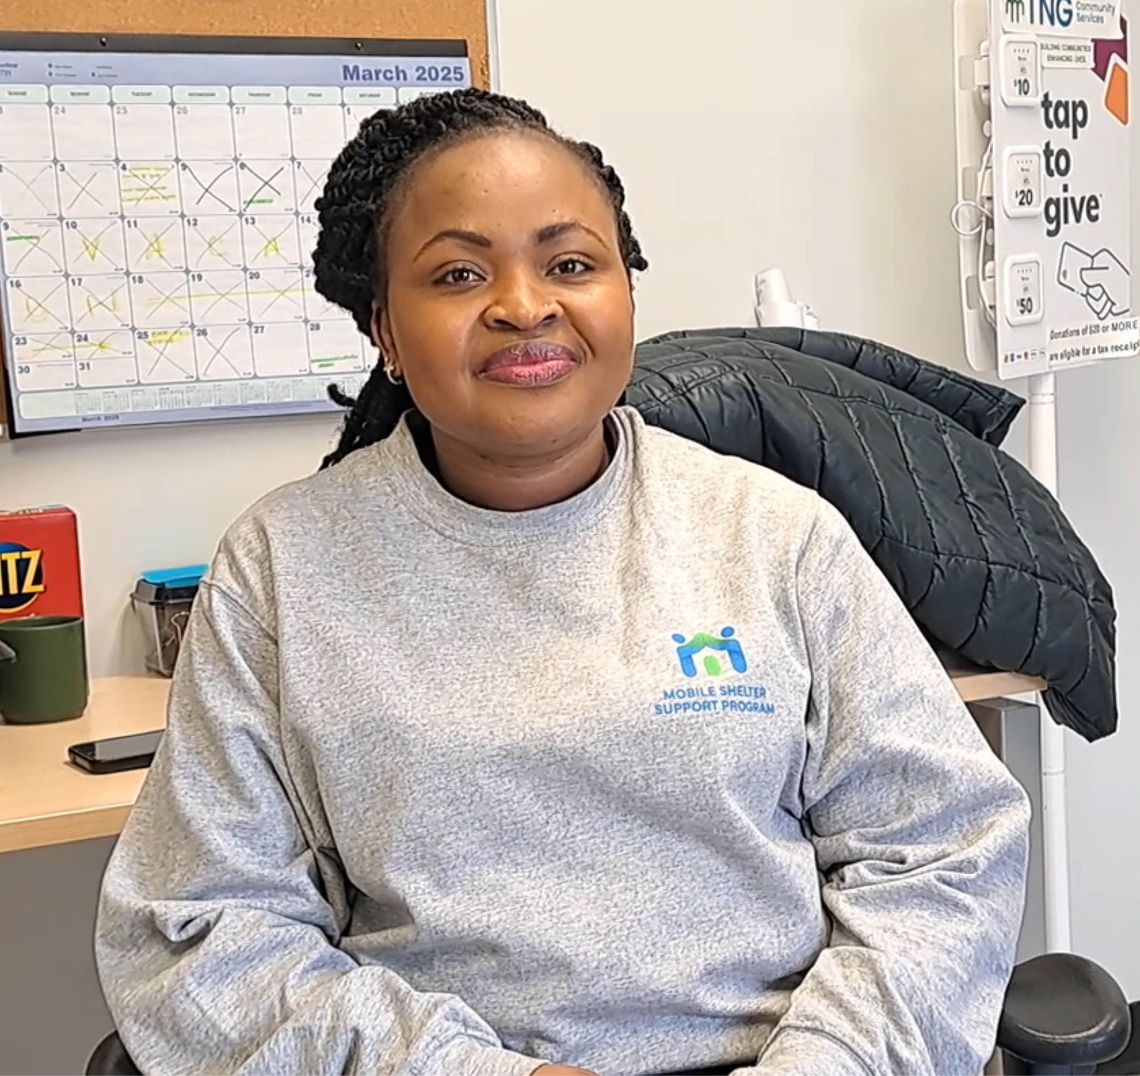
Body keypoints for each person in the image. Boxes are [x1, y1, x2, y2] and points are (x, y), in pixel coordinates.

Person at [96, 88, 1030, 1076]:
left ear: (624, 290)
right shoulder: (286, 567)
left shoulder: (771, 536)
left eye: (572, 263)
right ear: (386, 331)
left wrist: (827, 1062)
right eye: (458, 272)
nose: (524, 304)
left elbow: (941, 847)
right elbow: (199, 921)